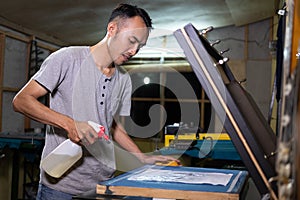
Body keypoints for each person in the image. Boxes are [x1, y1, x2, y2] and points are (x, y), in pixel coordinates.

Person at [13, 3, 179, 199]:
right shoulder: (67, 59)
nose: (134, 51)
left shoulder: (123, 79)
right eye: (132, 41)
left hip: (103, 184)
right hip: (61, 187)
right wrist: (70, 124)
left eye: (140, 46)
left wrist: (141, 157)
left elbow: (113, 126)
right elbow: (22, 100)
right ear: (112, 29)